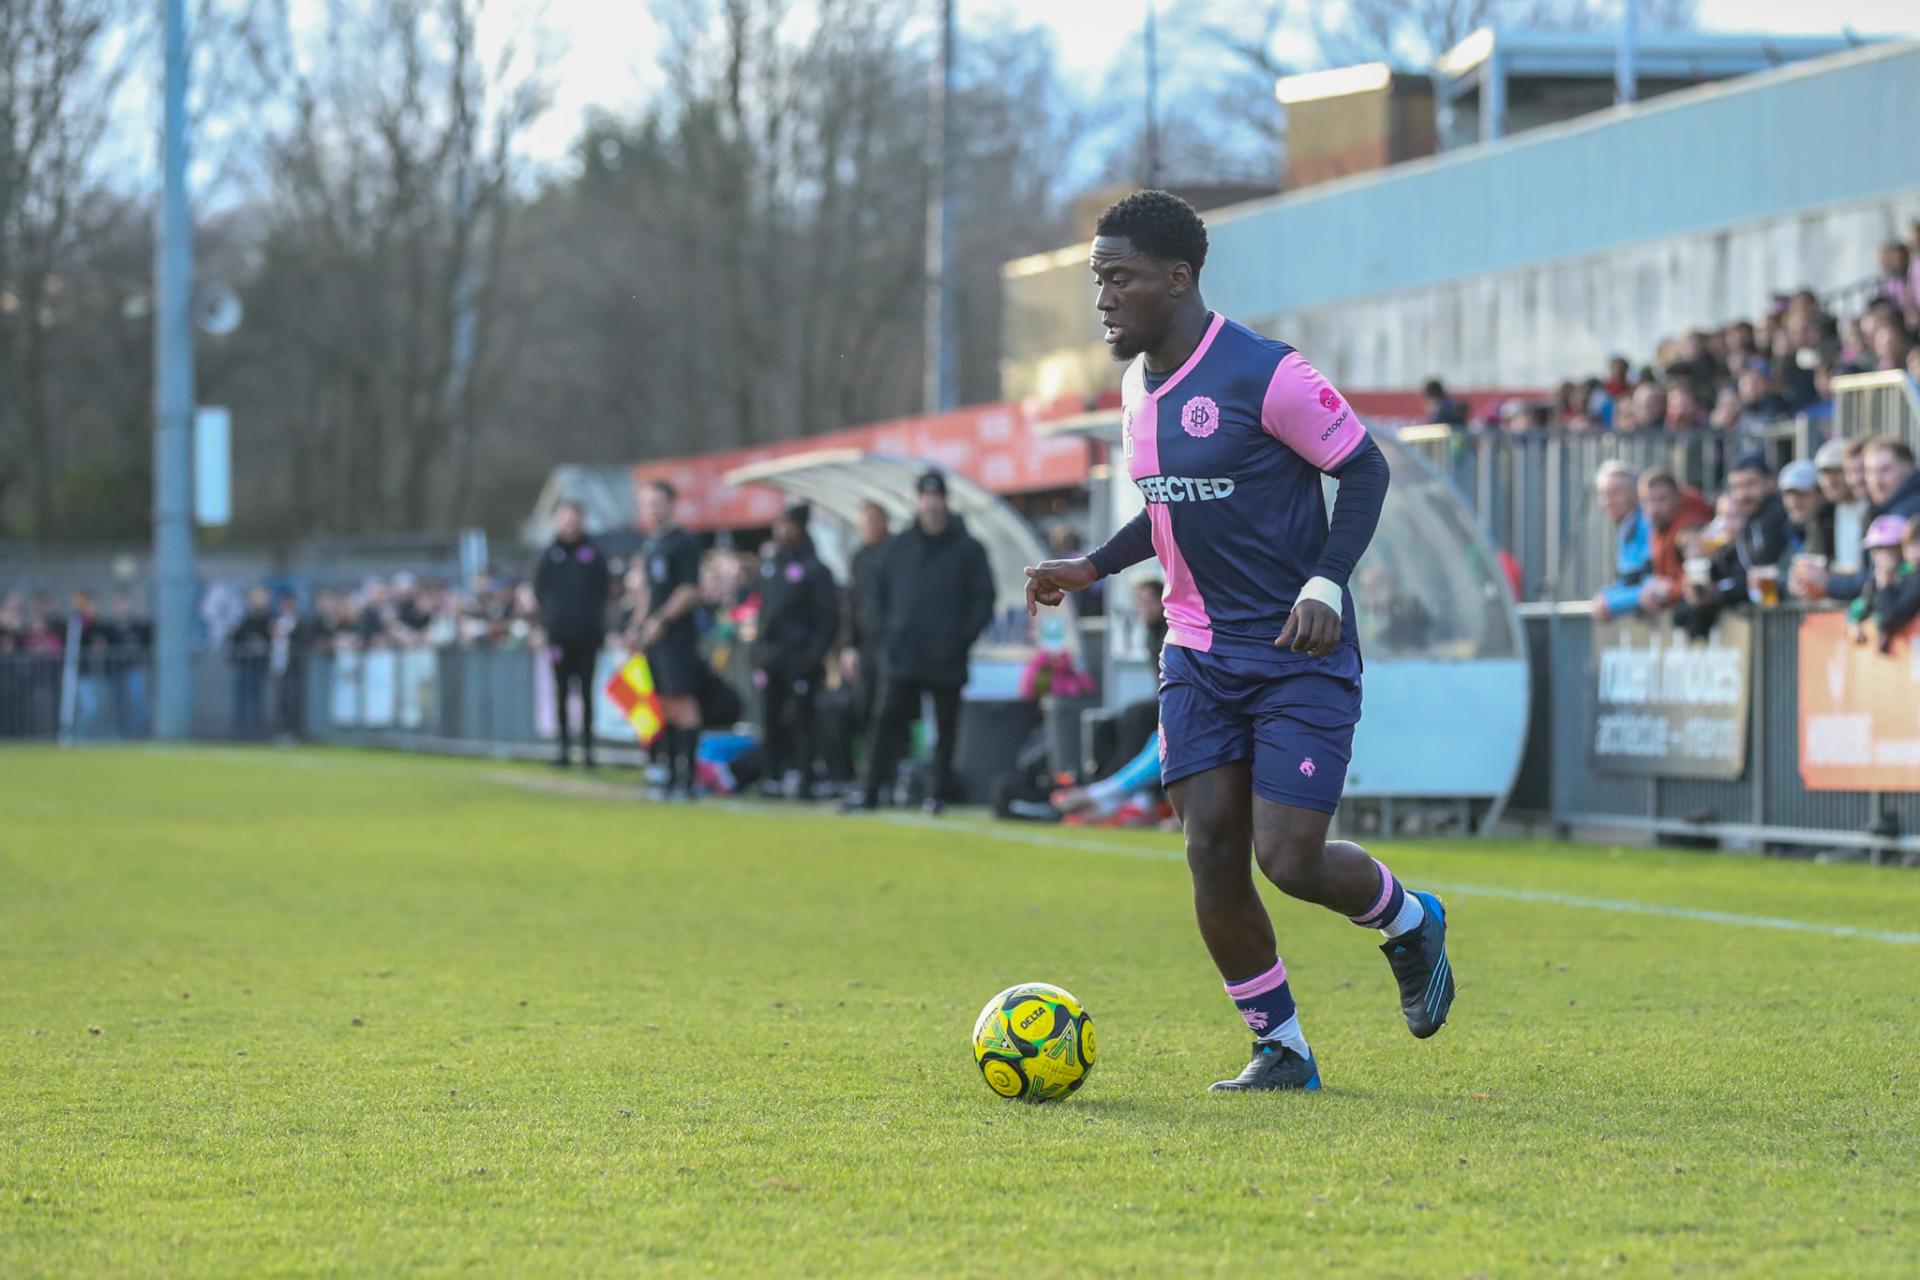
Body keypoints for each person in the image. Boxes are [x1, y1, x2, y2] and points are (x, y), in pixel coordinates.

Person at [1022, 189, 1449, 1094]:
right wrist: (1092, 565)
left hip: (1297, 651)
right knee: (1210, 849)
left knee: (1288, 860)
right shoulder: (1136, 391)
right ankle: (1281, 1047)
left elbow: (1363, 468)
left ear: (1178, 279)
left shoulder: (1268, 373)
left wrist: (1326, 580)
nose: (1102, 298)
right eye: (1097, 279)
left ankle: (1409, 921)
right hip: (1196, 653)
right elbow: (1168, 508)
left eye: (1118, 278)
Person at [842, 470, 994, 815]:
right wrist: (887, 635)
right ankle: (870, 790)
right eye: (925, 497)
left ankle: (937, 793)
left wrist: (962, 640)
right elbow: (879, 594)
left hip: (947, 655)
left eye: (936, 496)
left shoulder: (968, 548)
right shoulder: (901, 546)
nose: (931, 503)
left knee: (946, 727)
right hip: (904, 653)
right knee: (885, 720)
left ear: (945, 500)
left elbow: (983, 599)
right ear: (918, 500)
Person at [753, 504, 839, 798]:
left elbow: (828, 619)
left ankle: (806, 777)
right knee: (771, 719)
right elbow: (764, 612)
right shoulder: (770, 565)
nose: (782, 530)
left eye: (788, 524)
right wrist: (759, 650)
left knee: (804, 720)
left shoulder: (816, 569)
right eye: (779, 524)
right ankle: (773, 776)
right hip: (772, 658)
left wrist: (812, 655)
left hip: (801, 659)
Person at [636, 481, 706, 800]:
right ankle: (667, 771)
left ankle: (687, 777)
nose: (652, 509)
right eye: (647, 503)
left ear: (671, 505)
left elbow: (689, 590)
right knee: (661, 704)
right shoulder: (651, 544)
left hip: (676, 635)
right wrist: (638, 626)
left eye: (657, 502)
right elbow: (647, 591)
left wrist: (662, 619)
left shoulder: (684, 543)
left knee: (683, 702)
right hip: (654, 637)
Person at [533, 500, 612, 769]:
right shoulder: (549, 555)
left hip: (588, 637)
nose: (569, 523)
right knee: (561, 693)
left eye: (573, 517)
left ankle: (589, 752)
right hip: (559, 636)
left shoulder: (594, 553)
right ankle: (563, 751)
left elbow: (604, 591)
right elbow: (540, 593)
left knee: (587, 694)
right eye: (564, 518)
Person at [1803, 439, 1920, 602]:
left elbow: (1881, 576)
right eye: (1870, 472)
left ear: (1909, 468)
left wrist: (1830, 583)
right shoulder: (1886, 508)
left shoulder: (1903, 514)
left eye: (1885, 470)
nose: (1876, 481)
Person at [842, 500, 892, 733]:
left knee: (890, 706)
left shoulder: (898, 553)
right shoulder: (859, 557)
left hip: (893, 643)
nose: (869, 526)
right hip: (867, 643)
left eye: (873, 520)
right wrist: (849, 645)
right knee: (864, 704)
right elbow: (852, 604)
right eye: (864, 522)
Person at [1845, 515, 1920, 652]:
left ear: (1901, 547)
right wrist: (1853, 622)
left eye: (1886, 547)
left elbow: (1891, 618)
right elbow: (1860, 606)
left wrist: (1886, 586)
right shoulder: (1875, 580)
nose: (1880, 555)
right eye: (1876, 549)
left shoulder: (1912, 577)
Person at [1591, 462, 1650, 621]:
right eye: (1603, 494)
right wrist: (1606, 597)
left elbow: (1651, 587)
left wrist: (1610, 602)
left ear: (1636, 493)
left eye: (1615, 493)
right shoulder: (1627, 527)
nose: (1608, 501)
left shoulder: (1648, 523)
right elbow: (1628, 581)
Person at [1814, 439, 1867, 574]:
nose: (1830, 482)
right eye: (1824, 474)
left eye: (1837, 472)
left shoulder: (1872, 508)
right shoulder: (1825, 514)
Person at [1778, 460, 1833, 559]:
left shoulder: (1830, 526)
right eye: (1788, 495)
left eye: (1802, 494)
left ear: (1819, 494)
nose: (1794, 502)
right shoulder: (1788, 528)